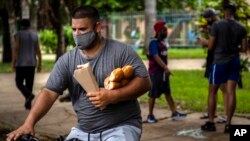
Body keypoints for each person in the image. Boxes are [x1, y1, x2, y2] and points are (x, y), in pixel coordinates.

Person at [7, 5, 151, 141]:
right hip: (83, 131)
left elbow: (144, 82)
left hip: (121, 128)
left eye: (82, 29)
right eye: (74, 29)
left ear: (98, 27)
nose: (77, 34)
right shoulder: (67, 60)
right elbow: (49, 92)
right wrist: (29, 123)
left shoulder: (121, 51)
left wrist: (114, 96)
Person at [201, 3, 248, 133]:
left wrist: (204, 42)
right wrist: (233, 49)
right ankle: (228, 124)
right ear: (234, 12)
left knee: (212, 91)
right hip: (234, 61)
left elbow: (210, 46)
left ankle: (211, 122)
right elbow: (244, 49)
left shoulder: (217, 25)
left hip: (219, 62)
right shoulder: (241, 27)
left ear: (224, 11)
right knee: (231, 92)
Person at [146, 21, 186, 123]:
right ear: (159, 31)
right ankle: (150, 115)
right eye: (164, 30)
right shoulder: (153, 43)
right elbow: (156, 56)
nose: (166, 31)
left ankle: (174, 113)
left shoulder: (161, 43)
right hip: (155, 73)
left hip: (163, 73)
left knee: (168, 93)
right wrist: (165, 67)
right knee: (153, 94)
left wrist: (165, 69)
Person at [198, 8, 227, 123]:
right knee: (212, 88)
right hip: (212, 58)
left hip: (218, 59)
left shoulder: (218, 26)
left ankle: (225, 114)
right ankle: (212, 112)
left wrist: (205, 42)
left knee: (223, 88)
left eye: (208, 17)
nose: (207, 20)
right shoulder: (213, 26)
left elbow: (214, 44)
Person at [11, 19, 42, 110]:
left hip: (21, 63)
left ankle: (28, 95)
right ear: (29, 25)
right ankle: (28, 105)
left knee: (18, 82)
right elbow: (38, 50)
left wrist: (13, 62)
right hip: (31, 63)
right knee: (29, 84)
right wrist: (40, 63)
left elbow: (16, 48)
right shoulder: (34, 35)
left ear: (21, 26)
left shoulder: (18, 34)